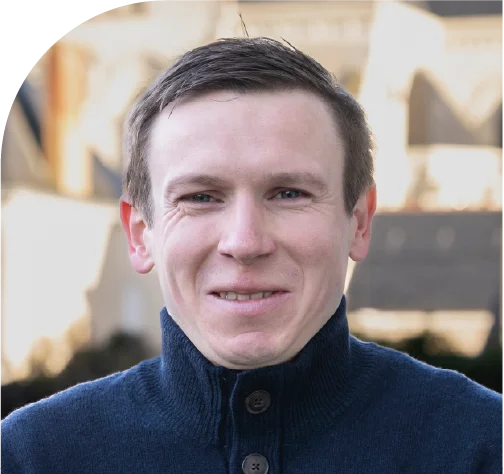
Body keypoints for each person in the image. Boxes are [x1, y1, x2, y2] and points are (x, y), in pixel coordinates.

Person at [1, 37, 502, 474]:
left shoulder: (482, 446)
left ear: (360, 221)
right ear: (139, 234)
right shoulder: (31, 457)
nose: (244, 242)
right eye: (200, 197)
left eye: (289, 193)